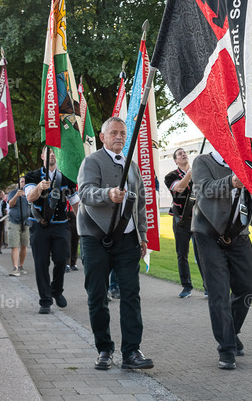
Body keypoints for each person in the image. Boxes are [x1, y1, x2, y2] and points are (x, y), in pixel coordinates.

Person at [77, 117, 154, 371]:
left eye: (122, 133)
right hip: (95, 238)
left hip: (127, 240)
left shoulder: (132, 166)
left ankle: (131, 351)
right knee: (97, 295)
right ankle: (104, 349)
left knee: (131, 294)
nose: (119, 137)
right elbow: (85, 193)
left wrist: (142, 235)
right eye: (113, 133)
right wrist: (108, 194)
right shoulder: (92, 161)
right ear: (103, 137)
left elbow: (140, 203)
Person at [192, 150, 252, 370]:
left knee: (247, 284)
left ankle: (231, 332)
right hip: (208, 234)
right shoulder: (202, 162)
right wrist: (232, 181)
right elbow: (205, 189)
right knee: (219, 291)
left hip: (238, 235)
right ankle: (226, 348)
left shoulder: (243, 161)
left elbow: (249, 197)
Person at [25, 148, 75, 315]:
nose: (52, 155)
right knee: (41, 264)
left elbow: (75, 202)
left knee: (62, 260)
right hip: (39, 225)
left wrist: (84, 222)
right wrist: (39, 187)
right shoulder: (32, 176)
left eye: (54, 152)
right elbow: (30, 198)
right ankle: (45, 300)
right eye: (48, 152)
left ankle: (57, 290)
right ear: (42, 156)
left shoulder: (66, 177)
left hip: (61, 225)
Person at [165, 147, 206, 297]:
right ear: (175, 160)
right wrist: (191, 173)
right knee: (182, 254)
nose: (183, 155)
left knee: (202, 254)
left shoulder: (200, 173)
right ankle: (186, 287)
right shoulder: (170, 176)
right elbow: (180, 188)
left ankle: (208, 287)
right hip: (181, 221)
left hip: (199, 220)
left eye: (185, 153)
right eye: (179, 154)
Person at [7, 181, 30, 276]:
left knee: (24, 245)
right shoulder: (13, 193)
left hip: (26, 222)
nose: (23, 183)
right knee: (14, 245)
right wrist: (16, 195)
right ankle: (15, 267)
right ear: (19, 183)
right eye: (21, 181)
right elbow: (10, 204)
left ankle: (21, 265)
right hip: (14, 221)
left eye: (25, 181)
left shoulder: (30, 192)